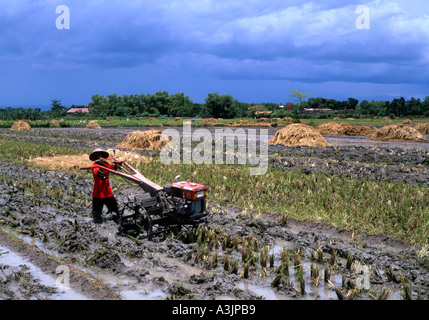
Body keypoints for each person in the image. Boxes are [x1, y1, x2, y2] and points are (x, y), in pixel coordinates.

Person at [89, 148, 120, 224]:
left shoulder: (106, 163)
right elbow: (98, 173)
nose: (100, 157)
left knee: (115, 210)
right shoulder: (95, 165)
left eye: (101, 156)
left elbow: (114, 168)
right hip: (98, 194)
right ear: (96, 158)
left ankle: (116, 221)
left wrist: (117, 164)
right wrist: (104, 173)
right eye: (98, 156)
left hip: (107, 193)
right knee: (96, 216)